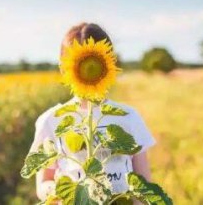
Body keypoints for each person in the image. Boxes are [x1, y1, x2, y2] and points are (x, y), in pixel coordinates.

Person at [29, 23, 157, 204]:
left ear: (110, 63)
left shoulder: (128, 117)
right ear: (63, 68)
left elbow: (144, 182)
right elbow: (43, 183)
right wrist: (64, 194)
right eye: (79, 63)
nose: (88, 69)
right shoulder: (52, 120)